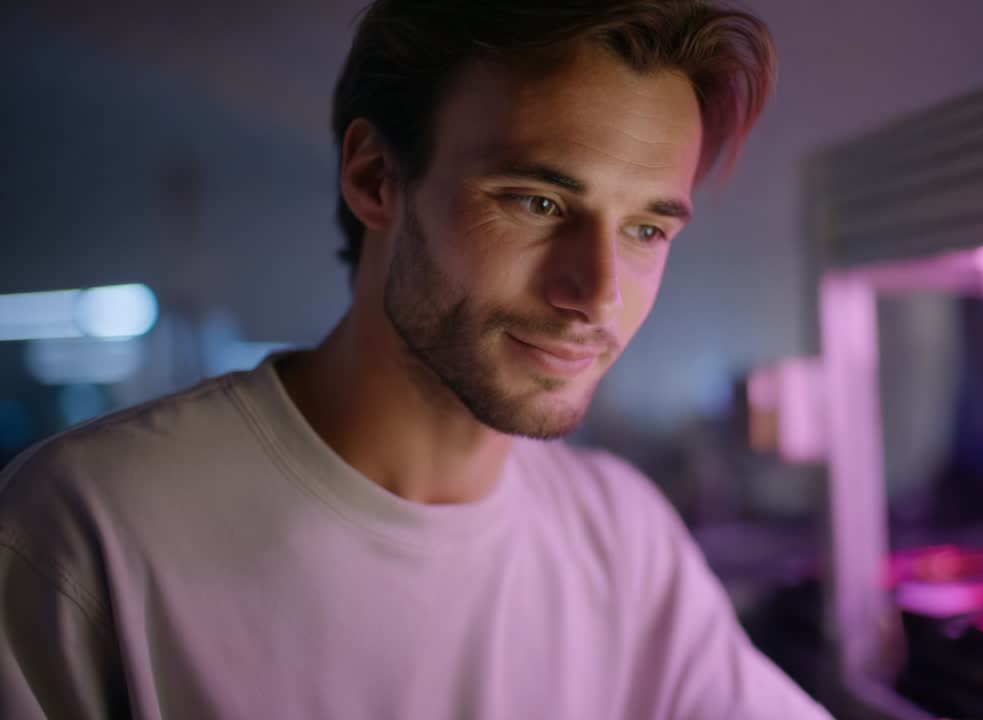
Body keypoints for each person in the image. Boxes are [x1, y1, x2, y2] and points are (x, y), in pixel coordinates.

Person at [0, 1, 833, 718]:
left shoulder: (624, 536)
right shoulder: (85, 533)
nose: (598, 293)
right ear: (375, 178)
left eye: (647, 229)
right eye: (537, 202)